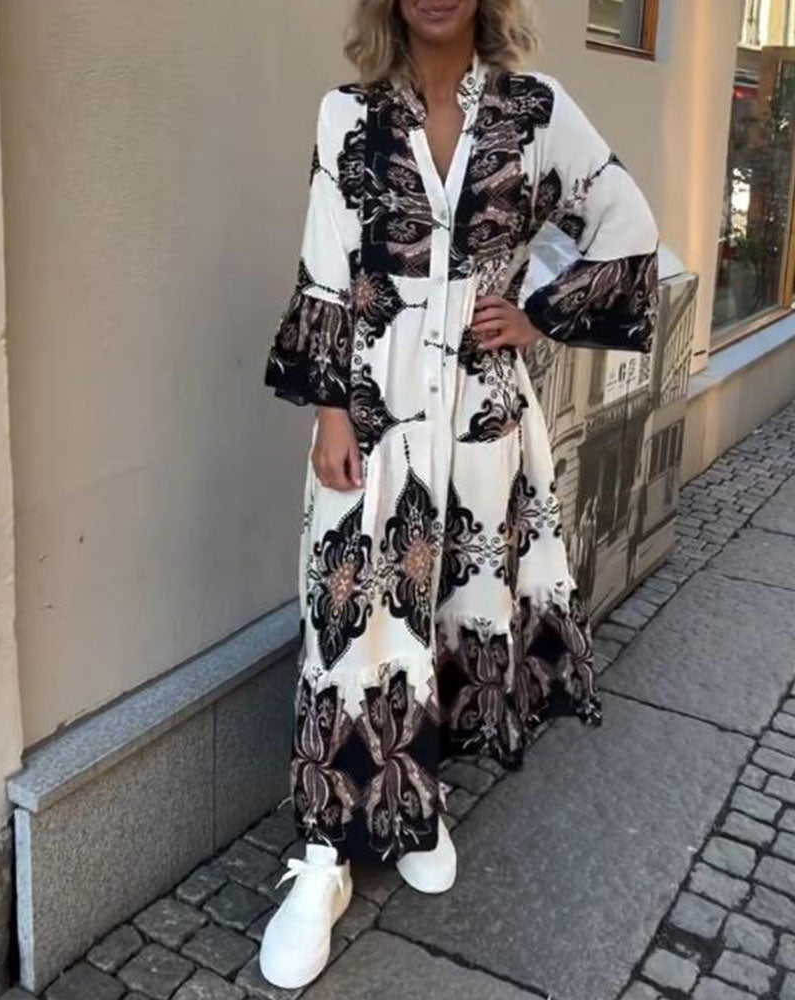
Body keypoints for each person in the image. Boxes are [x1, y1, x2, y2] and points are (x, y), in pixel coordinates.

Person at [261, 0, 659, 988]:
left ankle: (414, 802)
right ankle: (322, 854)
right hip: (374, 411)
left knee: (448, 605)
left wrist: (534, 313)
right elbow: (323, 273)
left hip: (480, 419)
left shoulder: (534, 111)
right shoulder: (347, 116)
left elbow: (627, 224)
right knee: (348, 617)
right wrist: (331, 413)